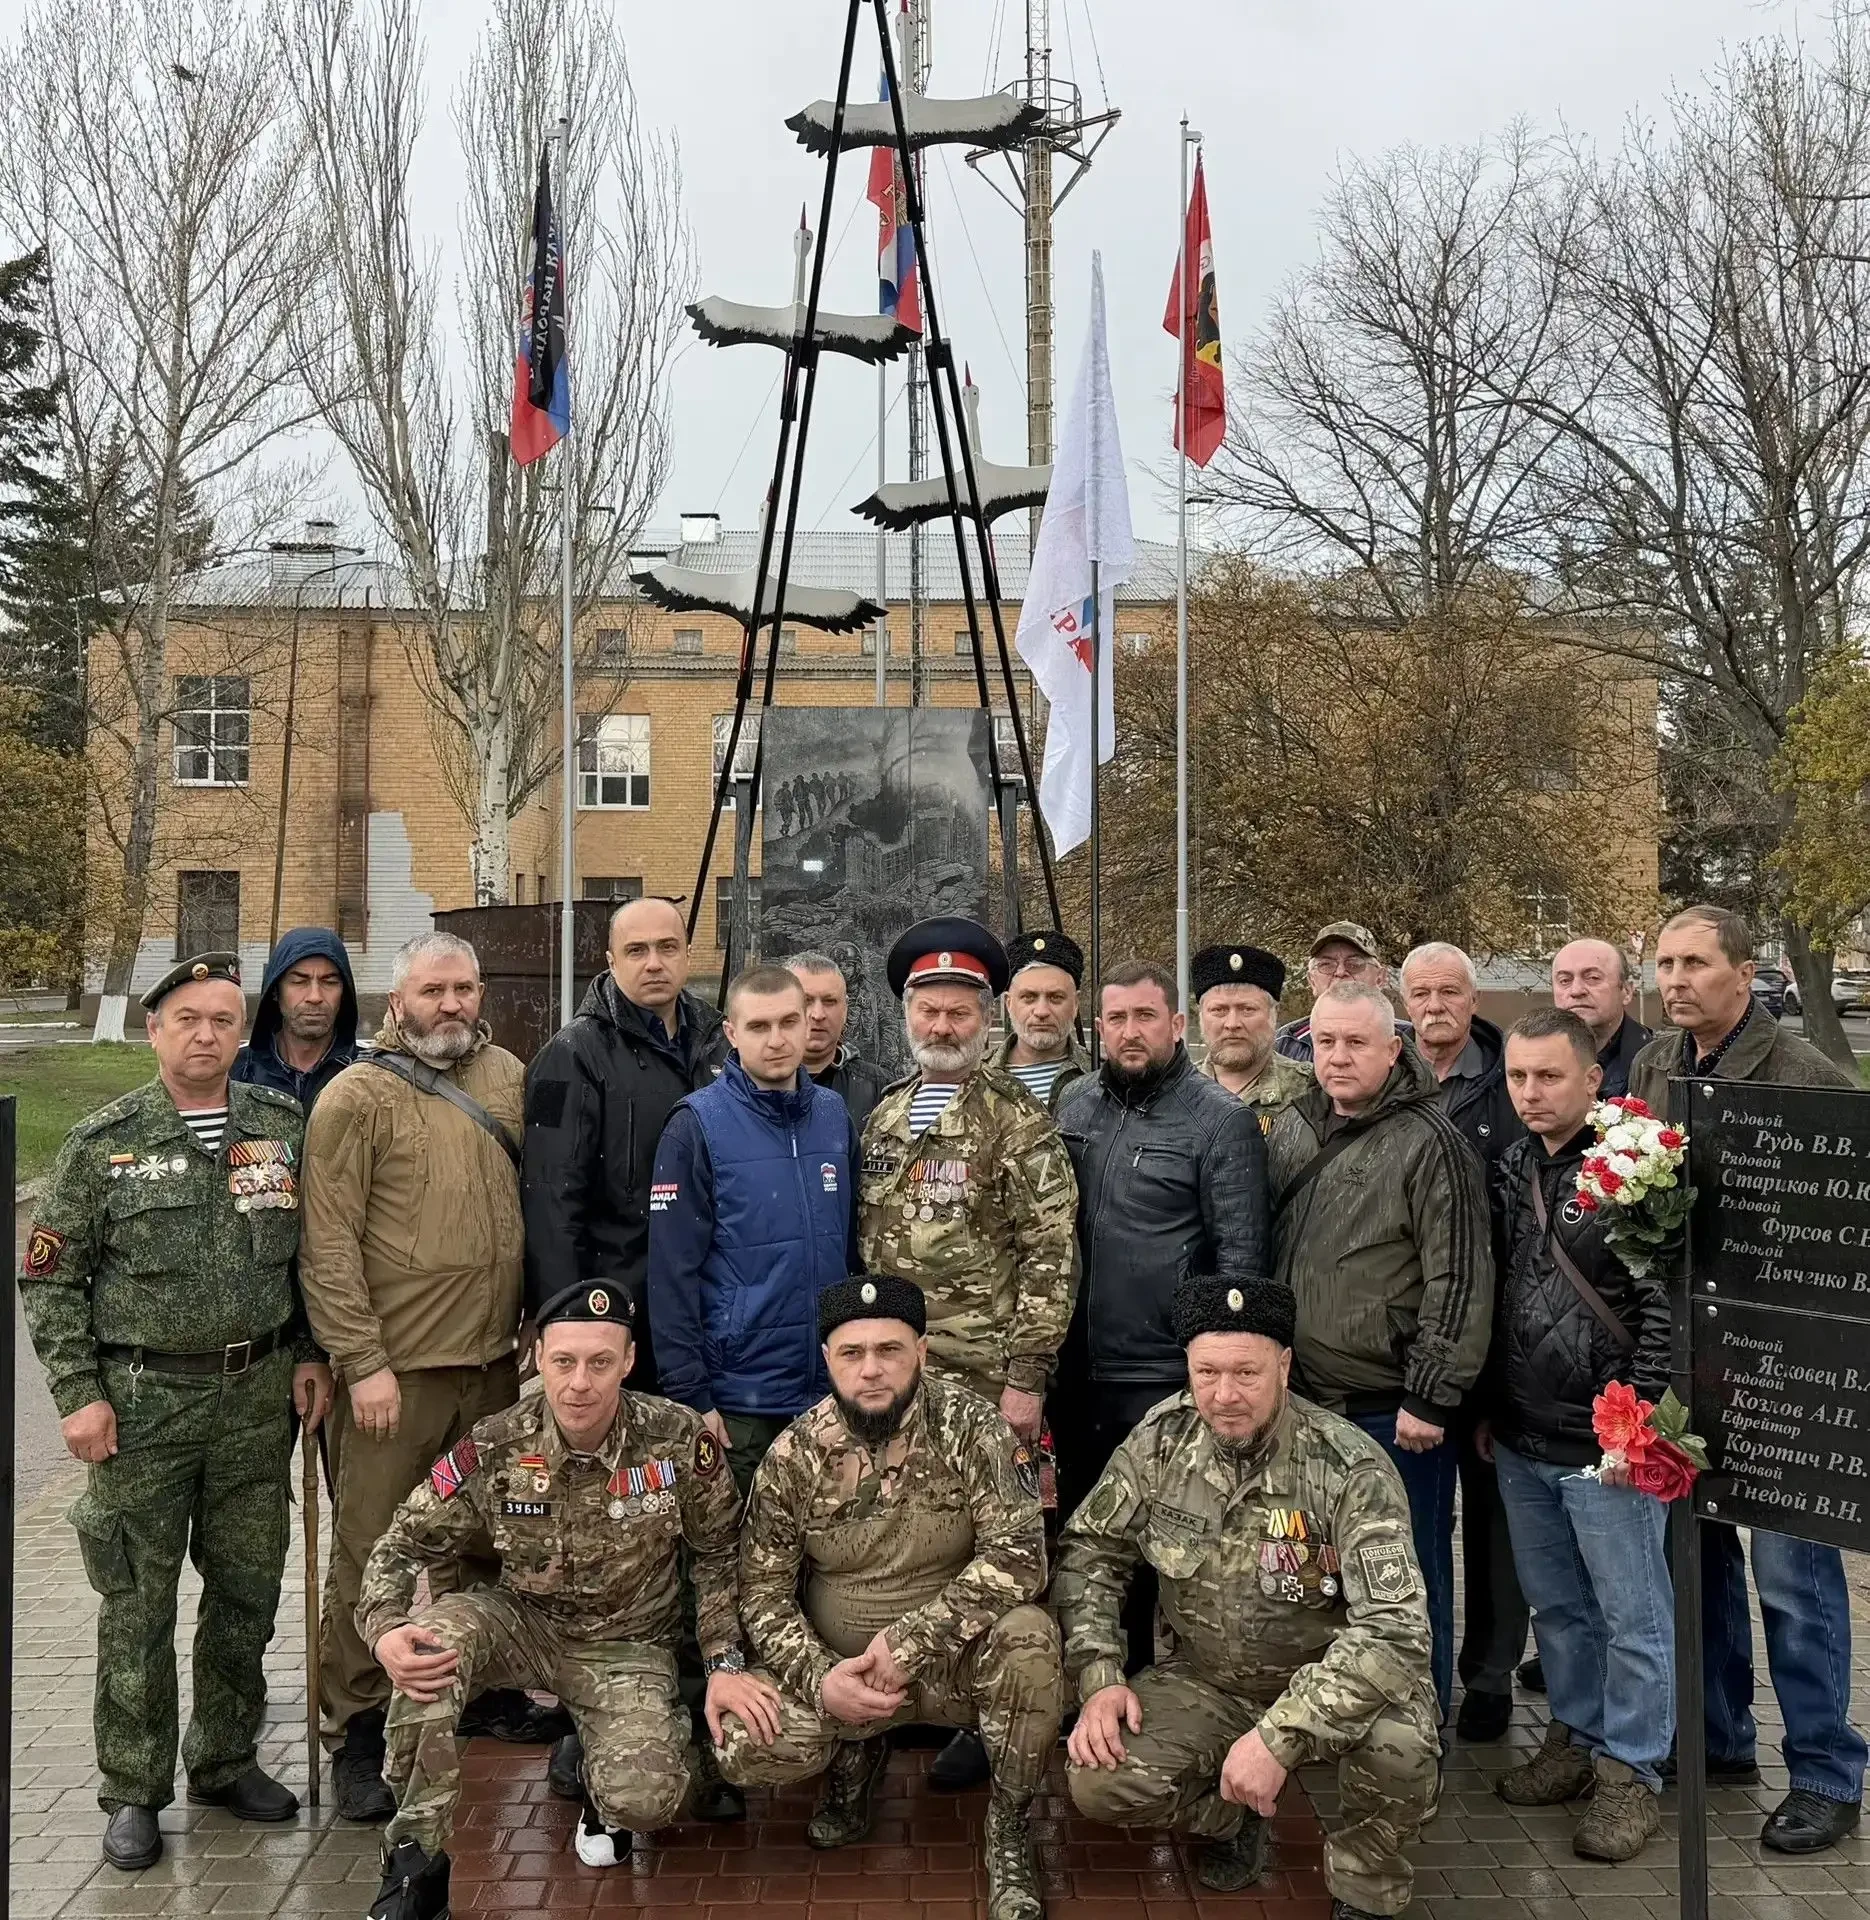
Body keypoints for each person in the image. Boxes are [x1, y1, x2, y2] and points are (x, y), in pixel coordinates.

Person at [18, 953, 333, 1870]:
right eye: (187, 1018)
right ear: (154, 1030)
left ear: (243, 1032)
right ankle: (133, 1788)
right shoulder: (102, 1142)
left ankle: (224, 1759)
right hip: (141, 1406)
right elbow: (51, 1279)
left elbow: (307, 1259)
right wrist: (78, 1396)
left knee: (246, 1592)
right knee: (138, 1603)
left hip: (256, 1402)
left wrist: (311, 1353)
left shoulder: (280, 1127)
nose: (205, 1034)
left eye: (223, 1020)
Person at [359, 1282, 779, 1920]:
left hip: (628, 1644)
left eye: (599, 1362)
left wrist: (723, 1662)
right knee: (426, 1657)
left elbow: (720, 1553)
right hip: (521, 1624)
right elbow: (403, 1539)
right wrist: (387, 1624)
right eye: (564, 1361)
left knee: (648, 1798)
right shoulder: (497, 1441)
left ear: (628, 1361)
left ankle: (598, 1777)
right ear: (538, 1358)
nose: (580, 1383)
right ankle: (415, 1861)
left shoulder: (676, 1438)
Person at [1055, 1275, 1440, 1920]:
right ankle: (1233, 1817)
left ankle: (1365, 1887)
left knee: (1399, 1749)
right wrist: (1099, 1676)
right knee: (1099, 1778)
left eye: (1246, 1373)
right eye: (1206, 1373)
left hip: (1329, 1684)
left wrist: (1279, 1738)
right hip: (1209, 1680)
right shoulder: (1160, 1442)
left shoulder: (1349, 1467)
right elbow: (1091, 1553)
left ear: (1284, 1367)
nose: (1225, 1395)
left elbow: (1395, 1633)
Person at [1630, 905, 1868, 1854]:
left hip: (1782, 1362)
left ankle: (1824, 1772)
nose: (1675, 981)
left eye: (1694, 963)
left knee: (1791, 1573)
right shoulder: (1656, 1064)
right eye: (1664, 964)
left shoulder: (1806, 1075)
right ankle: (1721, 1737)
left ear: (1745, 971)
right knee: (1698, 1557)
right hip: (1691, 1355)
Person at [715, 1275, 1061, 1920]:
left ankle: (1011, 1825)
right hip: (841, 1670)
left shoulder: (972, 1428)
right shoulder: (794, 1455)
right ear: (827, 1359)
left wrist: (908, 1644)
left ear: (921, 1352)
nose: (871, 1370)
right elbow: (761, 1593)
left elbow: (1020, 1556)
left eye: (890, 1350)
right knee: (743, 1744)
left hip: (955, 1665)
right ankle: (858, 1750)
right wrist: (821, 1681)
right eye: (852, 1352)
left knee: (1031, 1643)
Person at [302, 930, 550, 1823]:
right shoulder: (355, 1097)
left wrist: (537, 1310)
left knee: (483, 1542)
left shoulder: (507, 1077)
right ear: (397, 999)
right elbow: (327, 1242)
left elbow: (532, 1205)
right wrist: (361, 1361)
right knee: (372, 1552)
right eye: (433, 990)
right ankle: (358, 1728)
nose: (451, 1005)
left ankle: (480, 1687)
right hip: (395, 1377)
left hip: (490, 1368)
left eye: (464, 988)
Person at [1265, 980, 1493, 1720]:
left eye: (1356, 1042)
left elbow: (1459, 1277)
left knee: (1403, 1573)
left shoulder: (1432, 1143)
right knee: (1313, 1572)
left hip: (1390, 1410)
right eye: (1324, 1041)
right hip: (1302, 1403)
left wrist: (1430, 1394)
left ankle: (1416, 1728)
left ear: (1394, 1049)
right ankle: (1332, 1720)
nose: (1337, 1057)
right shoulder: (1294, 1126)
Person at [1483, 1007, 1673, 1861]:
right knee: (1559, 1609)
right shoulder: (1511, 1165)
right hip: (1523, 1436)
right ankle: (1576, 1735)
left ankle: (1631, 1773)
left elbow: (1663, 1308)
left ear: (1593, 1079)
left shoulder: (1636, 1166)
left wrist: (1641, 1420)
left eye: (1549, 1076)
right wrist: (1492, 1407)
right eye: (1519, 1077)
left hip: (1609, 1446)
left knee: (1633, 1619)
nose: (1530, 1093)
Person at [1054, 959, 1272, 1672]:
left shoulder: (1220, 1121)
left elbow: (1241, 1264)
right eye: (1116, 1018)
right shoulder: (1073, 1105)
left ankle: (1159, 1688)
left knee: (1163, 1549)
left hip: (1159, 1375)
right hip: (1074, 1373)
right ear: (1098, 1026)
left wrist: (1214, 1372)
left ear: (1177, 1025)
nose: (1130, 1032)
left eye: (1145, 1016)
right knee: (1083, 1541)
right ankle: (1092, 1681)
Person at [858, 916, 1078, 1432]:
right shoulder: (885, 1116)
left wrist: (1027, 1381)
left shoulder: (1015, 1119)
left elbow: (1051, 1254)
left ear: (985, 1018)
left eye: (958, 1013)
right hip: (890, 1371)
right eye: (928, 1011)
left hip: (983, 1380)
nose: (941, 1027)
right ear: (907, 1015)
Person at [649, 964, 861, 1484]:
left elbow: (853, 1250)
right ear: (731, 1032)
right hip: (738, 1402)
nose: (776, 1040)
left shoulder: (833, 1116)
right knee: (737, 1533)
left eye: (788, 1022)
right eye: (759, 1026)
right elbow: (671, 1274)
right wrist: (692, 1396)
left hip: (827, 1393)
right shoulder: (696, 1125)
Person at [1396, 940, 1527, 1741]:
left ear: (1473, 1000)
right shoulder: (1390, 1074)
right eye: (1421, 993)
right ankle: (1405, 1668)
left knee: (1492, 1519)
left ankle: (1488, 1673)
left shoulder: (1509, 1081)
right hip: (1409, 1339)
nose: (1434, 1005)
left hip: (1494, 1333)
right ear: (1403, 1001)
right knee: (1411, 1524)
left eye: (1449, 991)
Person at [522, 895, 729, 1370]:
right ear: (611, 961)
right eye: (637, 950)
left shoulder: (719, 1041)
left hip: (710, 1302)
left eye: (667, 947)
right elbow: (551, 1199)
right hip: (620, 1308)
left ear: (688, 954)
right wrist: (565, 1315)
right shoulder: (569, 1057)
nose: (654, 963)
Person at [230, 925, 362, 1109]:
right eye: (299, 981)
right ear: (275, 991)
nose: (315, 997)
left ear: (344, 992)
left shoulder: (368, 1074)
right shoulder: (236, 1071)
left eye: (329, 982)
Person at [1190, 943, 1313, 1122]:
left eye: (1247, 1009)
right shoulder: (1173, 1093)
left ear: (1274, 1013)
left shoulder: (1310, 1092)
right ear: (1201, 1015)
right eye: (1219, 1010)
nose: (1232, 1024)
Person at [1275, 922, 1411, 1063]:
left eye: (1354, 964)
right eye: (1326, 965)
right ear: (1312, 981)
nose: (1340, 972)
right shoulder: (1285, 1042)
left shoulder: (1411, 1038)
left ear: (1380, 978)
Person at [991, 928, 1092, 1113]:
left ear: (1076, 1003)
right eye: (1029, 997)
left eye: (1056, 997)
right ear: (1008, 1003)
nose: (1042, 1011)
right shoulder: (975, 1077)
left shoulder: (1101, 1075)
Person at [787, 949, 887, 1131]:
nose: (818, 1014)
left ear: (845, 1008)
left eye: (829, 1001)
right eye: (806, 1001)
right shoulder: (748, 1087)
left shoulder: (880, 1088)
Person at [1551, 937, 1650, 1099]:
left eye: (1593, 978)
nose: (1576, 991)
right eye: (1565, 980)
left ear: (1626, 991)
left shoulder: (1659, 1065)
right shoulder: (1527, 1061)